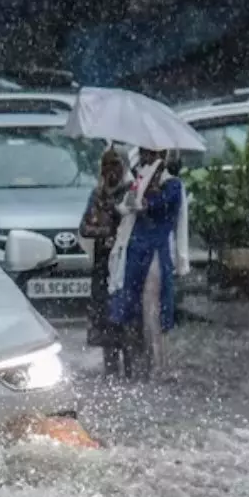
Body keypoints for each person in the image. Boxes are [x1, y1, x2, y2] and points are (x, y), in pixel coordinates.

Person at [107, 147, 187, 380]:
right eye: (143, 152)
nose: (144, 157)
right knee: (134, 306)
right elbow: (128, 205)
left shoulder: (171, 185)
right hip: (136, 250)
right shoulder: (139, 178)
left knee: (154, 307)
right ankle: (142, 361)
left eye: (149, 153)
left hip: (155, 251)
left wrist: (144, 204)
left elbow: (161, 206)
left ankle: (159, 362)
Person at [79, 146, 130, 376]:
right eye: (106, 165)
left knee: (124, 313)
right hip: (102, 263)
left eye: (115, 164)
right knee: (103, 313)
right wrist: (106, 230)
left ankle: (130, 366)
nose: (110, 170)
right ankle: (110, 369)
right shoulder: (97, 194)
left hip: (123, 262)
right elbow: (85, 227)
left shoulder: (130, 192)